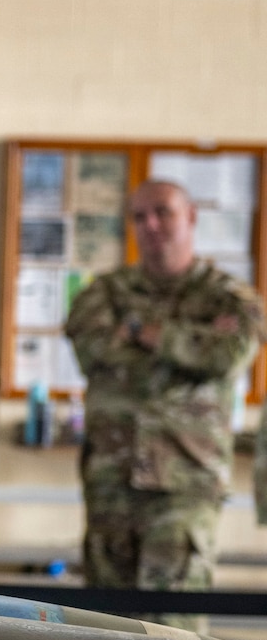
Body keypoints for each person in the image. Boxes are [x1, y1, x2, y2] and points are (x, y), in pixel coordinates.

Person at [69, 179, 263, 612]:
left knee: (175, 632)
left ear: (191, 217)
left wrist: (140, 333)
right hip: (111, 484)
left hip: (185, 490)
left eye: (163, 212)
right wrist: (190, 349)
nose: (151, 224)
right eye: (140, 216)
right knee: (101, 630)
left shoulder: (228, 297)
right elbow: (93, 351)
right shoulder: (102, 293)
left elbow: (228, 355)